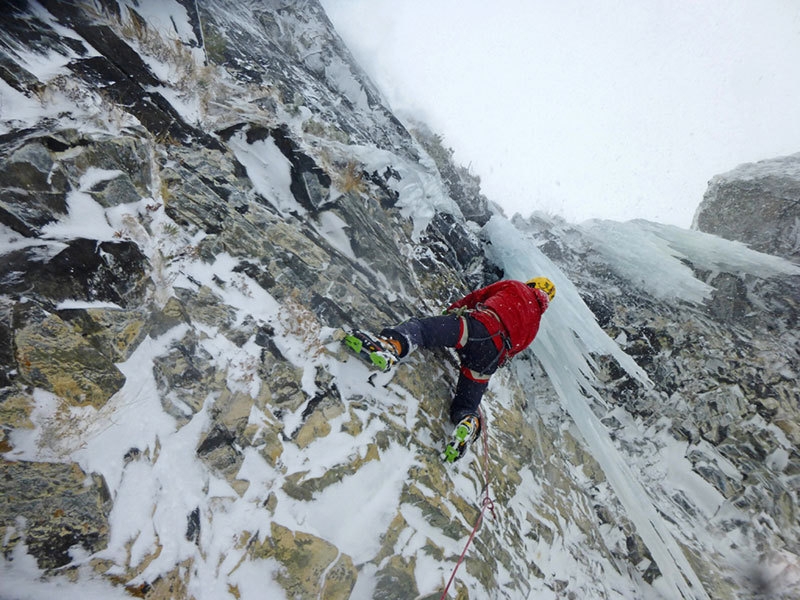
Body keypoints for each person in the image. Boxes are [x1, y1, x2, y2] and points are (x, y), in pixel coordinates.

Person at [377, 277, 555, 459]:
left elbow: (478, 296)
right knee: (466, 404)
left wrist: (451, 312)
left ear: (532, 284)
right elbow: (512, 353)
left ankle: (390, 347)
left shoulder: (516, 286)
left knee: (422, 330)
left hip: (478, 328)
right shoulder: (535, 326)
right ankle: (468, 420)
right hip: (490, 358)